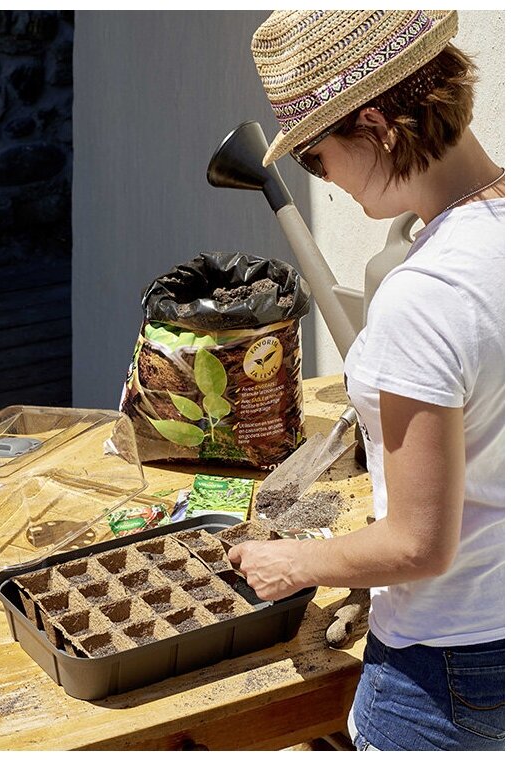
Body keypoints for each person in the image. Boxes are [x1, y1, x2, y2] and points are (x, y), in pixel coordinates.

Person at [229, 10, 504, 751]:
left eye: (315, 160)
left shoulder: (427, 295)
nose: (322, 179)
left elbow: (419, 545)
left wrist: (293, 559)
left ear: (376, 125)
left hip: (443, 675)